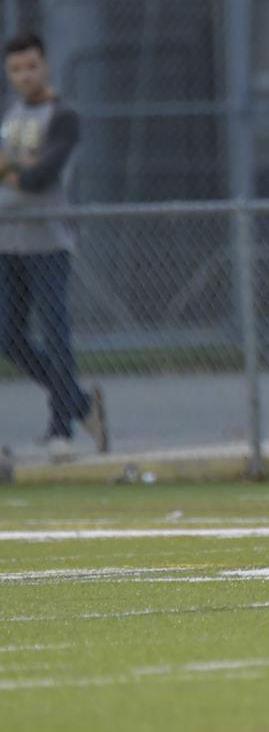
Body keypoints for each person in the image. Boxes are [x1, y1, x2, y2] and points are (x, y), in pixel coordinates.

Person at [0, 33, 108, 464]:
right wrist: (15, 169)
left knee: (55, 331)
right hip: (7, 241)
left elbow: (39, 176)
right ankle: (82, 404)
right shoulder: (10, 114)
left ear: (45, 66)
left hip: (46, 241)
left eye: (31, 66)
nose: (25, 75)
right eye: (16, 69)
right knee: (7, 334)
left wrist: (10, 168)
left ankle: (61, 426)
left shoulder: (62, 116)